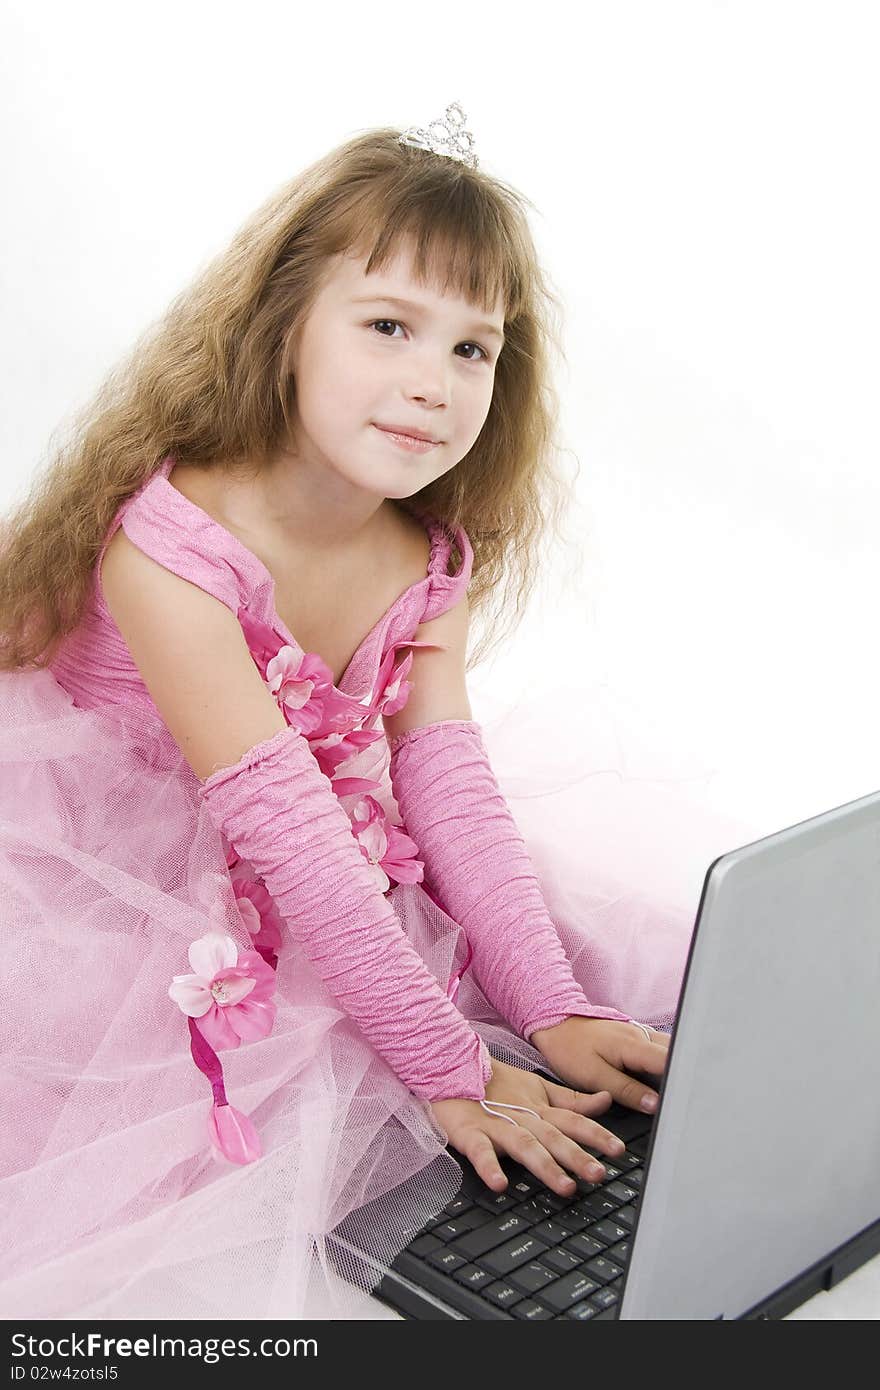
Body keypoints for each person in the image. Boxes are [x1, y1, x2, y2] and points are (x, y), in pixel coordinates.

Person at [0, 103, 758, 1320]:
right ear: (283, 324)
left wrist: (544, 1005)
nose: (431, 382)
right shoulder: (173, 551)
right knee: (250, 1090)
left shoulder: (425, 550)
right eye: (389, 325)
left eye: (473, 349)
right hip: (120, 862)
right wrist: (451, 1066)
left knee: (608, 977)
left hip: (332, 851)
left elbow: (446, 787)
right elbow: (289, 835)